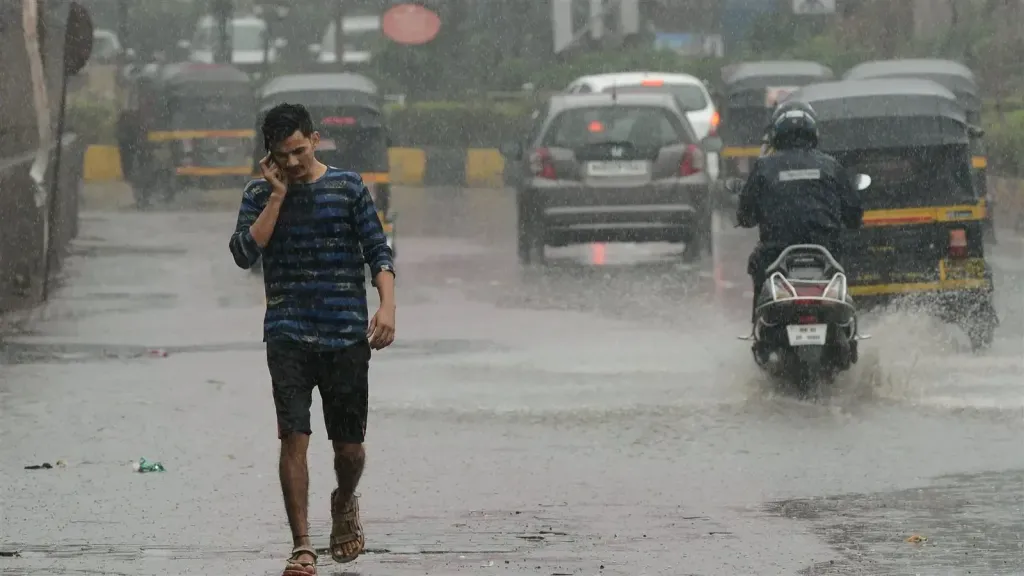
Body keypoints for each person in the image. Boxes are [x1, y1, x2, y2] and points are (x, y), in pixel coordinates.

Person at [229, 103, 396, 575]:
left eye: (300, 151)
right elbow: (244, 253)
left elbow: (377, 250)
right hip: (287, 334)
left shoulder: (348, 187)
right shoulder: (258, 194)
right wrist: (277, 197)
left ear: (315, 139)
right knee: (293, 437)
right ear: (270, 157)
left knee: (349, 450)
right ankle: (302, 546)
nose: (295, 162)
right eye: (284, 156)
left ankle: (344, 500)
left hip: (345, 334)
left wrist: (388, 305)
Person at [736, 103, 863, 325]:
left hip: (776, 250)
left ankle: (758, 324)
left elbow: (745, 215)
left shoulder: (764, 167)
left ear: (776, 134)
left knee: (757, 265)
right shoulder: (831, 165)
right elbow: (854, 214)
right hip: (826, 248)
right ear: (813, 133)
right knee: (844, 266)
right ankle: (846, 324)